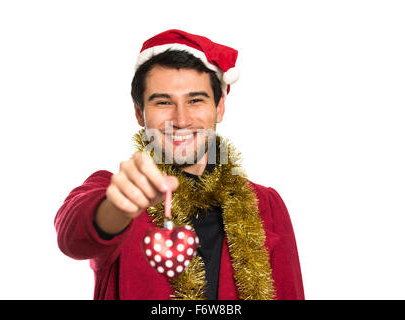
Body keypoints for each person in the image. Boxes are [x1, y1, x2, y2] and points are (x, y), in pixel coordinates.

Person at [54, 29, 304, 300]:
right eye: (163, 102)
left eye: (195, 100)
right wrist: (118, 206)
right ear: (140, 113)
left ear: (219, 107)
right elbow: (74, 236)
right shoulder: (115, 189)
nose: (182, 119)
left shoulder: (267, 204)